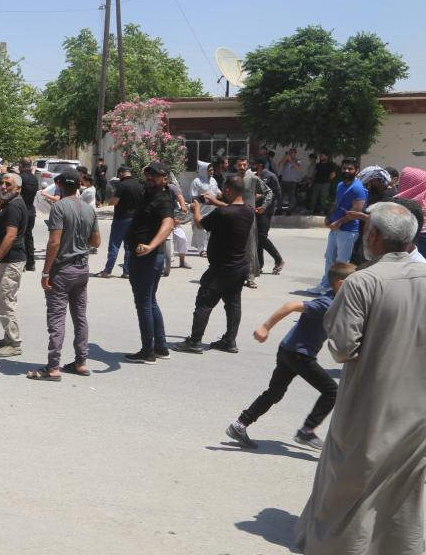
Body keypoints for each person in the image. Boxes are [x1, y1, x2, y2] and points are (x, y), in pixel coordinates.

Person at [296, 202, 426, 554]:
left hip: (370, 409)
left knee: (348, 493)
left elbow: (341, 348)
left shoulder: (362, 282)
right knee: (405, 495)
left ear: (374, 236)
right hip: (418, 414)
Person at [225, 261, 354, 452]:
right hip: (299, 354)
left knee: (274, 393)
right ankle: (307, 431)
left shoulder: (335, 299)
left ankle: (240, 425)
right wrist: (265, 327)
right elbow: (291, 305)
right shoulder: (327, 303)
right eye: (355, 282)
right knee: (331, 391)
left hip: (288, 350)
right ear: (341, 284)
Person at [28, 172, 99, 381]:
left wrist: (46, 271)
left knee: (57, 318)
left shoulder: (59, 207)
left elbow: (54, 242)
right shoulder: (88, 208)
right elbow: (96, 242)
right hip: (82, 269)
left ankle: (53, 367)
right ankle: (81, 361)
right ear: (79, 185)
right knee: (80, 316)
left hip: (63, 270)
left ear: (58, 184)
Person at [175, 175, 254, 354]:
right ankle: (230, 341)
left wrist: (197, 208)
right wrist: (214, 202)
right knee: (233, 303)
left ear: (227, 190)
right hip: (240, 266)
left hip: (221, 268)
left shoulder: (223, 213)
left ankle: (194, 341)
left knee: (204, 302)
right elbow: (233, 208)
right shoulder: (248, 211)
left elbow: (200, 224)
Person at [124, 162, 175, 364]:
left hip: (147, 258)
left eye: (155, 175)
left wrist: (151, 246)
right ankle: (160, 347)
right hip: (144, 257)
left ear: (165, 179)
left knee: (143, 303)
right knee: (150, 301)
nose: (150, 178)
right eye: (148, 175)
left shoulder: (163, 200)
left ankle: (148, 351)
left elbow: (168, 224)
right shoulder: (148, 194)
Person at [303, 158, 365, 296]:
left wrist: (339, 222)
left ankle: (339, 290)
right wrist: (329, 216)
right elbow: (336, 203)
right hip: (336, 228)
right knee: (329, 257)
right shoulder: (340, 185)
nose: (347, 171)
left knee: (342, 262)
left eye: (350, 169)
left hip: (348, 231)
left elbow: (356, 213)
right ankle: (325, 285)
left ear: (356, 170)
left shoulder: (358, 188)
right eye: (344, 168)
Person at [0, 173, 27, 357]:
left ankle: (14, 342)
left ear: (18, 188)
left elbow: (10, 235)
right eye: (1, 183)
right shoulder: (8, 205)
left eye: (8, 184)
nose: (3, 186)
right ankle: (8, 337)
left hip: (10, 261)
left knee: (5, 302)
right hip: (7, 261)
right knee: (4, 301)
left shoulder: (14, 207)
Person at [97, 165, 143, 278]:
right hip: (134, 219)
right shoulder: (139, 185)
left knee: (114, 245)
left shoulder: (121, 185)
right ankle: (127, 271)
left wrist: (110, 199)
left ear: (121, 173)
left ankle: (107, 271)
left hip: (121, 219)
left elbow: (113, 202)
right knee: (129, 246)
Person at [234, 157, 271, 288]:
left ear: (247, 165)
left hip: (249, 218)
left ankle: (250, 277)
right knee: (235, 247)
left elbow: (269, 192)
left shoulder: (253, 178)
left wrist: (263, 206)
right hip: (234, 218)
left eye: (244, 164)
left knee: (250, 247)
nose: (242, 167)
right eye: (240, 164)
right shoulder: (233, 180)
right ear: (236, 165)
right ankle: (236, 276)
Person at [252, 158, 284, 276]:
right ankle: (259, 265)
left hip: (266, 210)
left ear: (260, 165)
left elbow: (277, 193)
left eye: (254, 163)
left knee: (262, 237)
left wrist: (274, 207)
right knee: (256, 238)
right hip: (255, 210)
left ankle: (278, 260)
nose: (252, 165)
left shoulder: (270, 176)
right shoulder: (254, 176)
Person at [188, 163, 222, 256]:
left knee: (210, 231)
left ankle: (208, 248)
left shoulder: (213, 180)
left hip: (212, 209)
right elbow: (193, 196)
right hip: (201, 210)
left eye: (212, 170)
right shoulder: (196, 181)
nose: (212, 172)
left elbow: (218, 192)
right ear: (203, 170)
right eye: (209, 170)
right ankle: (202, 250)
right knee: (201, 230)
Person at [278, 148, 303, 214]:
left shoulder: (298, 160)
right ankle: (279, 210)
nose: (290, 154)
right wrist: (284, 159)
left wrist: (290, 160)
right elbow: (279, 165)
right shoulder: (285, 161)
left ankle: (289, 210)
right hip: (284, 181)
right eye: (290, 153)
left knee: (291, 197)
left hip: (292, 182)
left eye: (292, 153)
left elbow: (297, 167)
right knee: (281, 196)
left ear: (295, 153)